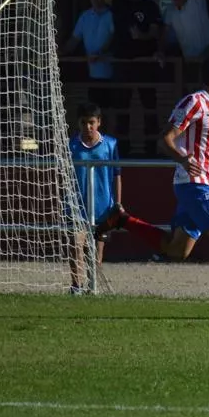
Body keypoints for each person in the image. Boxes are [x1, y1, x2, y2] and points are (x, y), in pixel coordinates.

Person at [94, 50, 209, 320]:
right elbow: (166, 138)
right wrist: (183, 159)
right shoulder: (195, 102)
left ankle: (122, 219)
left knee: (176, 249)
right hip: (195, 184)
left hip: (204, 185)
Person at [68, 102, 121, 295]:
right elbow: (63, 175)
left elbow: (117, 174)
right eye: (84, 123)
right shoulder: (71, 145)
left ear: (99, 122)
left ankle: (93, 286)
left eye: (91, 122)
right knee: (75, 244)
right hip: (77, 205)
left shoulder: (110, 144)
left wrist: (118, 202)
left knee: (97, 253)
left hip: (102, 206)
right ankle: (76, 286)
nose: (88, 127)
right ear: (78, 124)